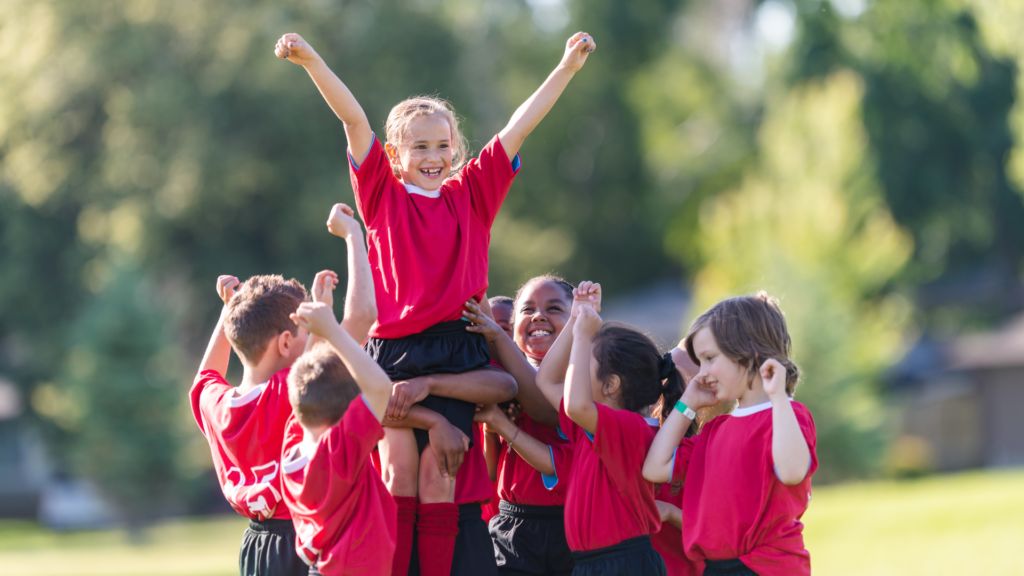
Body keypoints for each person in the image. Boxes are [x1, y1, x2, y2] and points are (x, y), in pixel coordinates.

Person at [276, 29, 596, 576]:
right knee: (398, 471)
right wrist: (311, 62)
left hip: (454, 349)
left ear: (456, 149)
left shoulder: (472, 192)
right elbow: (355, 121)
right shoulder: (381, 197)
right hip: (394, 351)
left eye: (442, 145)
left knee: (437, 478)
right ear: (396, 157)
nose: (433, 156)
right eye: (419, 147)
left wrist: (566, 67)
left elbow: (520, 126)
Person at [189, 203, 374, 576]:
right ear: (286, 344)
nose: (316, 332)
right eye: (307, 329)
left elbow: (205, 374)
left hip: (256, 547)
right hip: (305, 540)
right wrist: (355, 236)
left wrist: (230, 311)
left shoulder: (215, 403)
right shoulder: (294, 389)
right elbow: (361, 317)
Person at [642, 293, 817, 576]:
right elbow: (655, 467)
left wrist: (779, 398)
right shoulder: (714, 431)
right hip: (717, 568)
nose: (703, 372)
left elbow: (793, 472)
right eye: (700, 361)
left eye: (711, 358)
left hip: (768, 568)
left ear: (750, 352)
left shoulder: (788, 414)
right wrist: (688, 403)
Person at [529, 282, 682, 576]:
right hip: (595, 564)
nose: (575, 370)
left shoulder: (631, 430)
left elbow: (575, 404)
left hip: (622, 564)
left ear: (611, 384)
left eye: (584, 362)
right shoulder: (593, 428)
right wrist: (575, 319)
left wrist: (583, 336)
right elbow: (546, 381)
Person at [462, 277, 576, 575]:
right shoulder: (498, 380)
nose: (539, 316)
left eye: (554, 308)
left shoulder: (586, 379)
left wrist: (502, 423)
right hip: (514, 526)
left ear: (576, 319)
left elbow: (561, 464)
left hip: (574, 525)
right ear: (515, 327)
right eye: (528, 309)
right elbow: (489, 473)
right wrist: (491, 428)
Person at [281, 301, 397, 576]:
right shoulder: (338, 450)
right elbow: (381, 388)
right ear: (348, 409)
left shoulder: (290, 447)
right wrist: (330, 330)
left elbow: (303, 382)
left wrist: (318, 332)